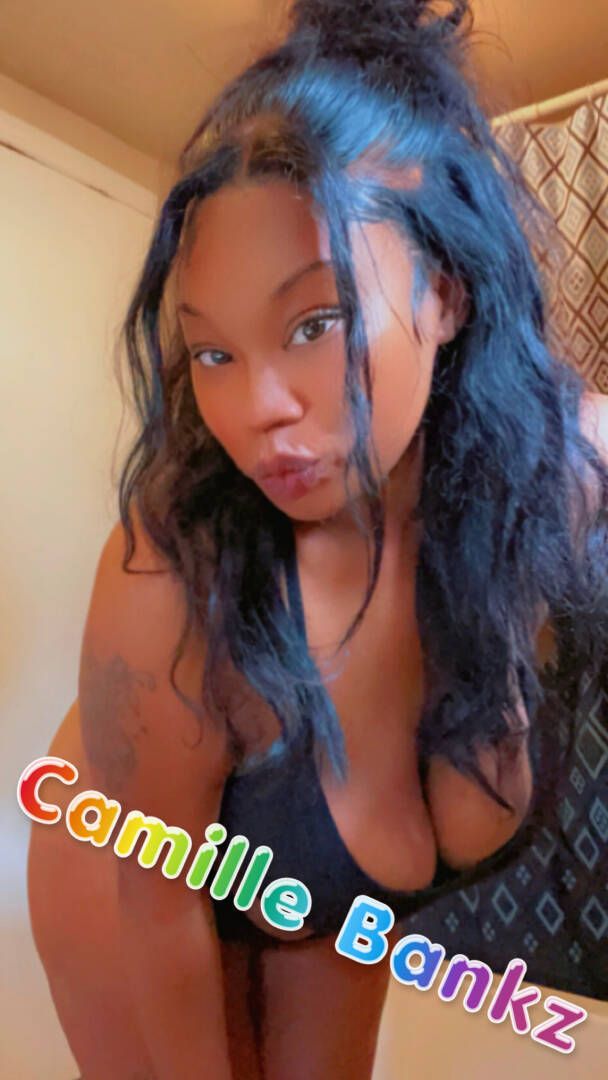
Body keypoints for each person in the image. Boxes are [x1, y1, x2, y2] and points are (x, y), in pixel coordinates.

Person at [26, 1, 608, 1077]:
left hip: (316, 896)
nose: (258, 410)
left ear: (445, 294)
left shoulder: (552, 474)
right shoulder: (173, 572)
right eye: (213, 354)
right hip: (139, 864)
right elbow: (155, 908)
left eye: (314, 324)